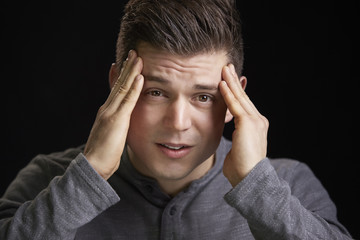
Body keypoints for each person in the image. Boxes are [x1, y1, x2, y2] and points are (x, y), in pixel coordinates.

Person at [0, 0, 353, 239]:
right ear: (117, 86)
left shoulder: (291, 184)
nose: (178, 122)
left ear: (236, 100)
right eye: (156, 92)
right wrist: (90, 174)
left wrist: (256, 188)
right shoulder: (46, 180)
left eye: (203, 97)